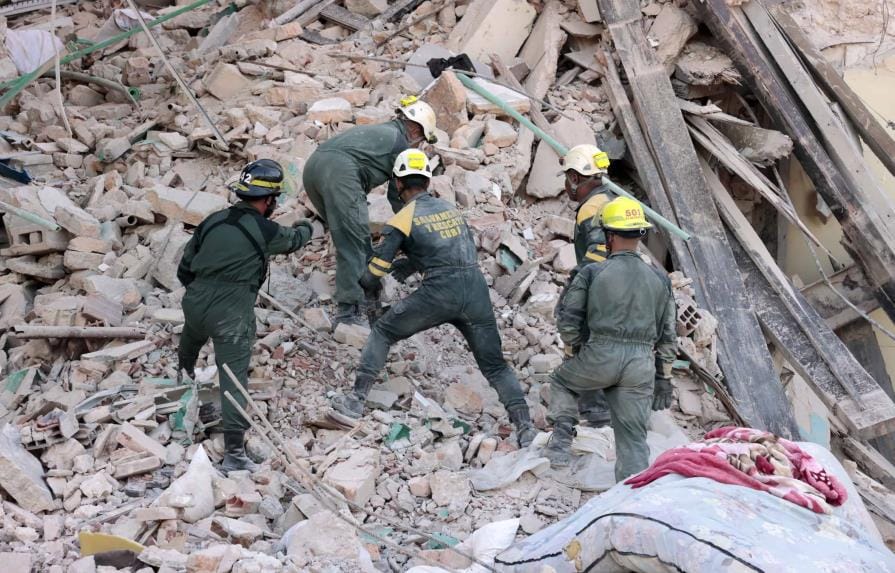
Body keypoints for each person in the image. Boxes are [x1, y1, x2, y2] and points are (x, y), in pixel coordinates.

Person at [330, 149, 538, 447]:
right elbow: (451, 248)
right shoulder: (450, 210)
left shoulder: (403, 218)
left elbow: (374, 273)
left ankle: (355, 400)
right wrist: (412, 263)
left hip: (440, 294)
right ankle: (525, 427)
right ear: (428, 182)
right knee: (495, 366)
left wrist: (363, 282)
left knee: (384, 332)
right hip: (475, 291)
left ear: (398, 183)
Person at [177, 159, 313, 472]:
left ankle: (182, 380)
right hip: (232, 308)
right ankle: (235, 453)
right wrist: (306, 225)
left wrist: (201, 292)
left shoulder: (213, 220)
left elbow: (185, 265)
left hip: (195, 299)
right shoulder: (265, 229)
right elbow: (293, 241)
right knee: (233, 377)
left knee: (191, 339)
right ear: (269, 200)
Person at [545, 196, 677, 480]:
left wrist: (576, 350)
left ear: (609, 236)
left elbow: (568, 321)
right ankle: (632, 493)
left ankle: (560, 444)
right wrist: (663, 377)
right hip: (640, 365)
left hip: (600, 354)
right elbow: (668, 335)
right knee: (633, 440)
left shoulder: (593, 272)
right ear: (640, 236)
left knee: (561, 381)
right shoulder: (660, 279)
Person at [302, 96, 438, 328]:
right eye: (422, 139)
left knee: (352, 235)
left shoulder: (382, 133)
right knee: (352, 241)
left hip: (314, 168)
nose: (420, 144)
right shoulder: (400, 146)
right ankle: (347, 313)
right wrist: (419, 228)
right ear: (416, 129)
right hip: (340, 173)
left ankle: (368, 290)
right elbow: (400, 195)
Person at [557, 144, 614, 428]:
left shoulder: (591, 207)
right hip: (619, 282)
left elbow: (597, 251)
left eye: (567, 177)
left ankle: (595, 412)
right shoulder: (610, 199)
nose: (566, 186)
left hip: (600, 285)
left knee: (584, 342)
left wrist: (577, 285)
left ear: (576, 177)